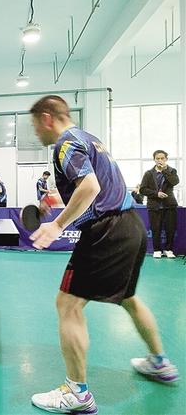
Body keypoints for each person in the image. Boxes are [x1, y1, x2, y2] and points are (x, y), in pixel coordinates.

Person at [28, 96, 179, 414]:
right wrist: (54, 198)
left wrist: (56, 225)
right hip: (132, 226)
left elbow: (90, 188)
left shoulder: (65, 144)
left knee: (67, 304)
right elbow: (99, 186)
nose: (35, 132)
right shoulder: (89, 139)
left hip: (106, 231)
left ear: (46, 118)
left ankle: (77, 393)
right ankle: (159, 362)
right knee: (128, 298)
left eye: (34, 125)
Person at [139, 150, 180, 259]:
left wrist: (165, 170)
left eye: (162, 158)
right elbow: (143, 189)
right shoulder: (148, 173)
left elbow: (175, 182)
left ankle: (169, 250)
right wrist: (156, 194)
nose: (160, 160)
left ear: (166, 159)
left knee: (170, 229)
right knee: (155, 229)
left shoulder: (172, 171)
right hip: (154, 205)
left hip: (169, 205)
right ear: (154, 159)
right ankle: (157, 250)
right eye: (157, 158)